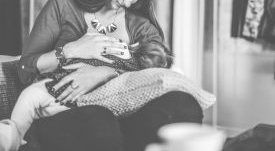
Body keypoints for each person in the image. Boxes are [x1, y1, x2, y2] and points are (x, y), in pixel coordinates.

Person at [12, 0, 203, 151]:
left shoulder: (143, 28)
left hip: (123, 111)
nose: (129, 2)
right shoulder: (63, 5)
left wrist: (106, 73)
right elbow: (25, 69)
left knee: (183, 104)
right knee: (98, 119)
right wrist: (70, 51)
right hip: (67, 111)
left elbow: (155, 72)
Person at [0, 40, 173, 151]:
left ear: (137, 45)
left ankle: (14, 136)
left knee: (28, 101)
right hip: (76, 103)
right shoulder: (134, 72)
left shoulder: (118, 47)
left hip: (59, 87)